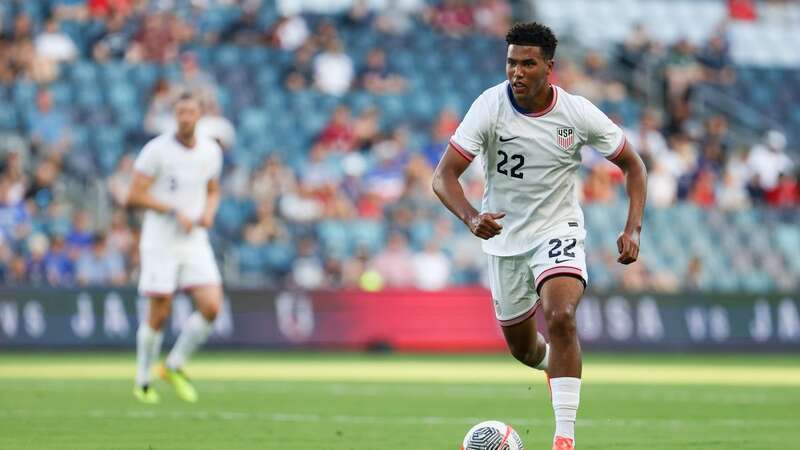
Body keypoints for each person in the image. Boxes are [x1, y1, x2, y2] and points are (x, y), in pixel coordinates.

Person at [431, 23, 647, 450]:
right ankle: (561, 368)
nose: (517, 71)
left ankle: (564, 437)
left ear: (550, 68)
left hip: (557, 229)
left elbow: (634, 166)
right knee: (525, 351)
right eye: (511, 62)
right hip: (504, 240)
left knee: (561, 315)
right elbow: (443, 177)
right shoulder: (489, 106)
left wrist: (632, 228)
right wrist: (471, 218)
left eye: (527, 63)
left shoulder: (577, 113)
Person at [126, 92, 223, 404]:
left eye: (190, 112)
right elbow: (133, 197)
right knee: (160, 311)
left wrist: (208, 212)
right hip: (160, 239)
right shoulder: (156, 151)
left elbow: (212, 190)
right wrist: (171, 210)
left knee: (211, 307)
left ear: (200, 115)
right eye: (180, 112)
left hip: (193, 238)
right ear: (173, 115)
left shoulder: (210, 151)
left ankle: (174, 365)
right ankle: (143, 380)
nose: (185, 117)